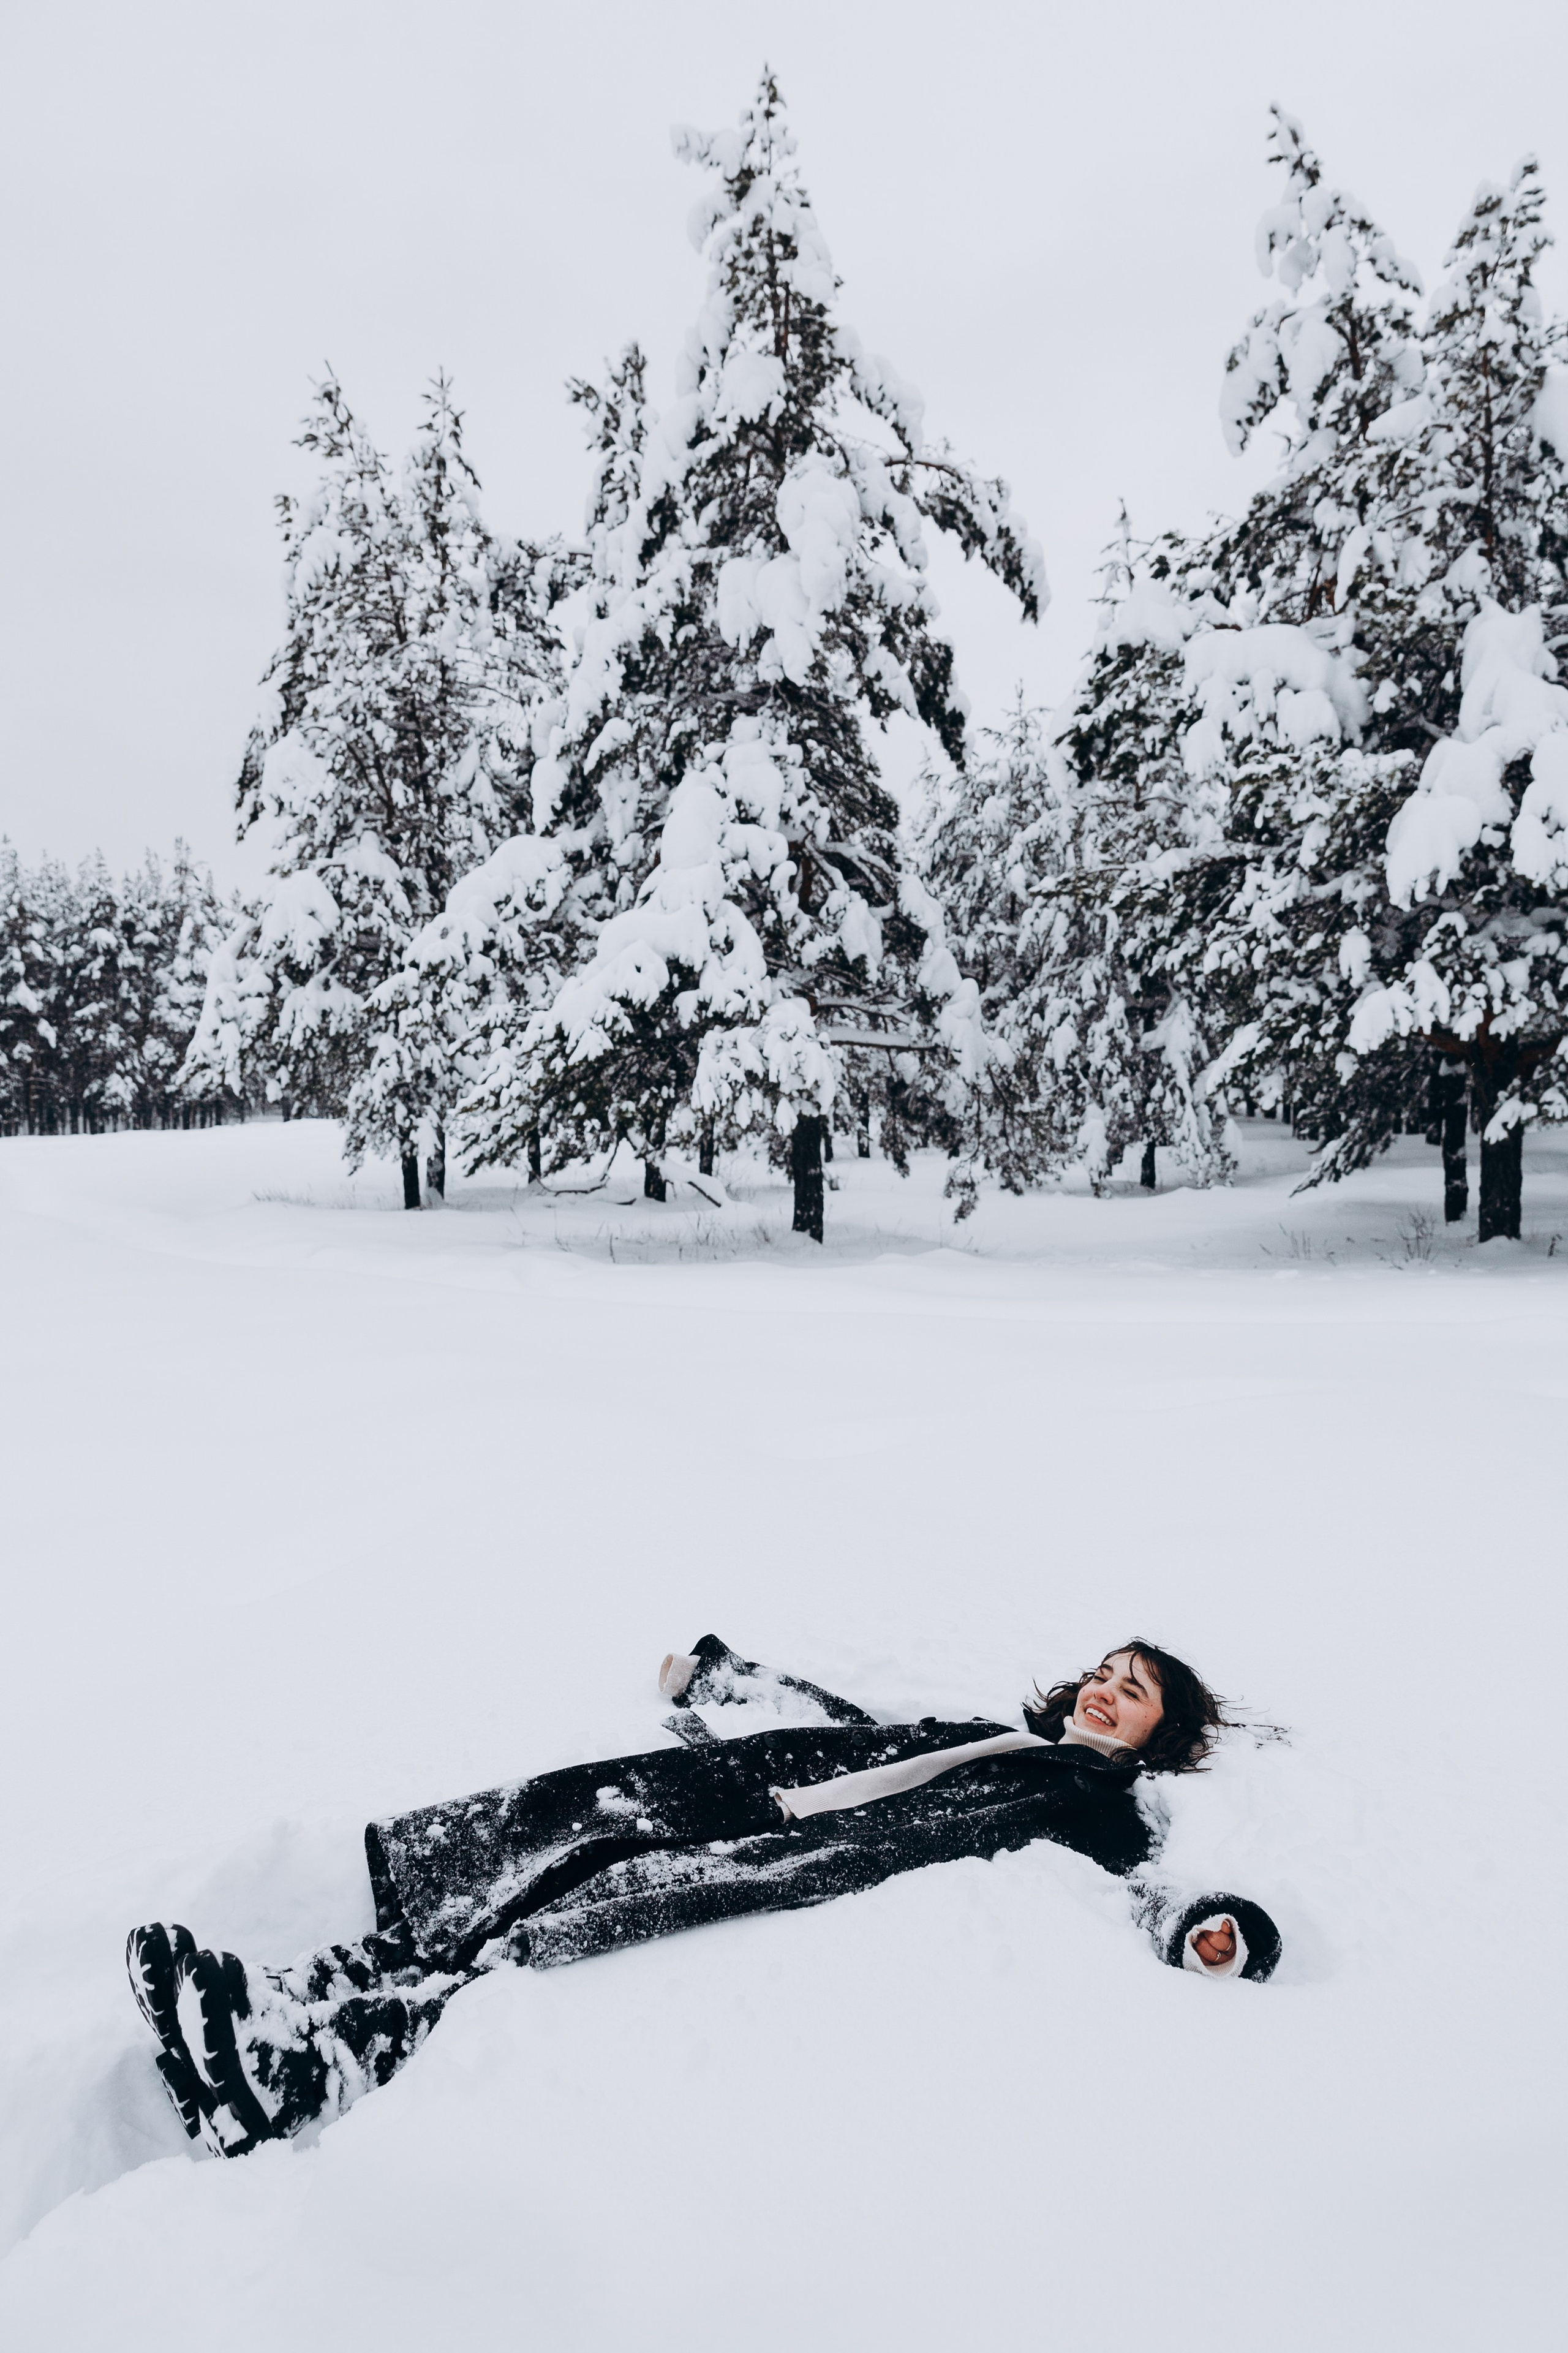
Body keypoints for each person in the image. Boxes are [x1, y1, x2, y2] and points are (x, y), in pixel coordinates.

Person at [127, 1635, 1283, 2158]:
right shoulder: (990, 1730)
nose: (1106, 1690)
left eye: (1133, 1694)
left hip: (812, 1857)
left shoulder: (1103, 1798)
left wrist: (1202, 1929)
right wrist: (732, 1679)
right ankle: (303, 1995)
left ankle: (317, 2065)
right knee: (569, 1838)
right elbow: (856, 1727)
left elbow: (1147, 1885)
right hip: (766, 1793)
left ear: (1155, 1735)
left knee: (585, 1910)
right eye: (1107, 1672)